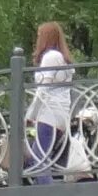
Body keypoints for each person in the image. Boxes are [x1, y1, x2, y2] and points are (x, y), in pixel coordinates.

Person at [27, 21, 74, 181]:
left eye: (40, 35)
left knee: (40, 159)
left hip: (48, 114)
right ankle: (41, 194)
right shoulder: (62, 59)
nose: (37, 39)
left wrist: (30, 114)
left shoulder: (51, 57)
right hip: (60, 115)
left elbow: (43, 88)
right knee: (40, 156)